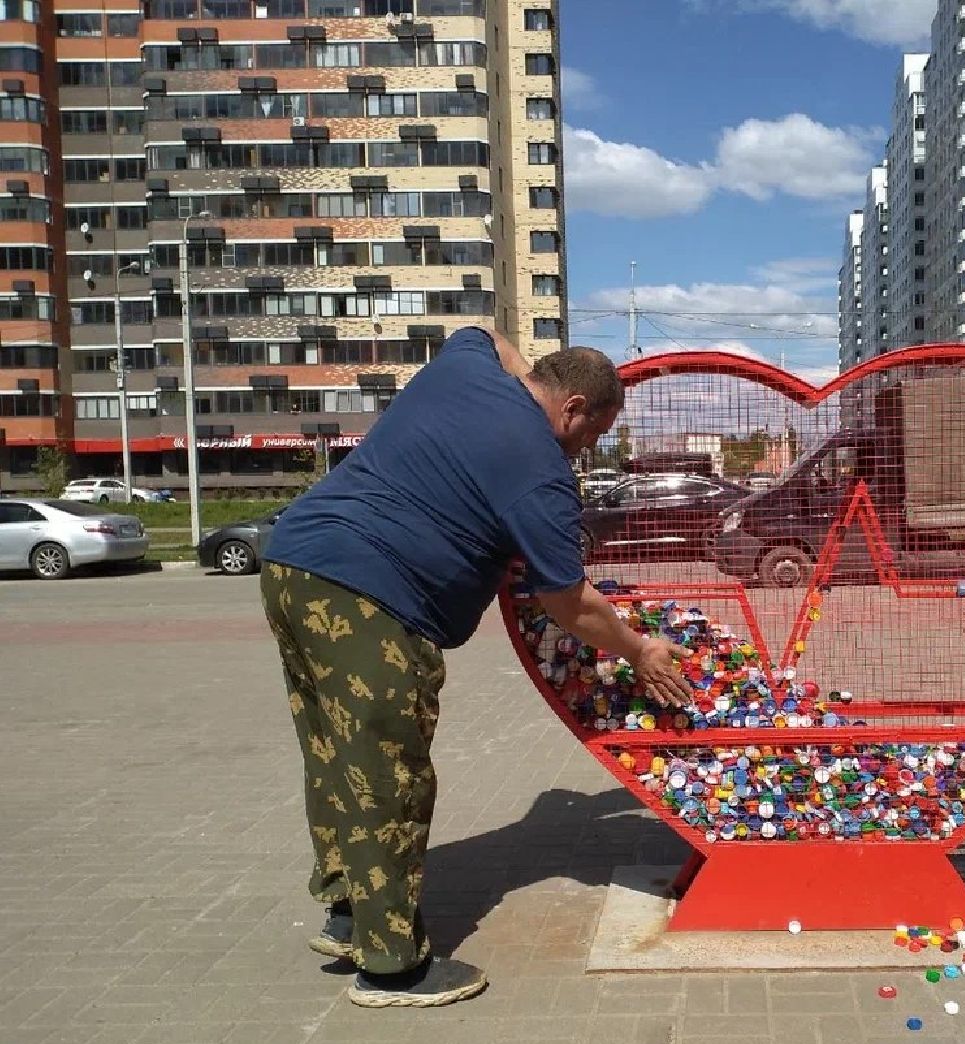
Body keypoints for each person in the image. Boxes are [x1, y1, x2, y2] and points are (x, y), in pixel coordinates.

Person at [259, 327, 691, 1009]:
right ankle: (392, 967)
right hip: (370, 596)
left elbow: (485, 333)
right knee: (386, 774)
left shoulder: (468, 370)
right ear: (573, 406)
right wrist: (640, 650)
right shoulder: (539, 468)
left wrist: (523, 372)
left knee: (333, 754)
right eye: (592, 434)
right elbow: (568, 599)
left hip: (293, 565)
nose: (585, 450)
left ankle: (349, 912)